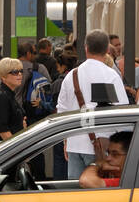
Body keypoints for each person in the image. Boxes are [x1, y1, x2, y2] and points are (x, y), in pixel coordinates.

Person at [56, 29, 131, 178]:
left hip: (74, 144)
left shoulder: (72, 75)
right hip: (102, 146)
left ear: (86, 48)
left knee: (75, 194)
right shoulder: (110, 75)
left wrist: (66, 141)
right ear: (107, 50)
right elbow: (121, 115)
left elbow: (61, 111)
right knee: (97, 195)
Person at [0, 57, 27, 145]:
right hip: (6, 148)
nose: (20, 74)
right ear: (3, 77)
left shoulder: (8, 94)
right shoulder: (2, 97)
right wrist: (18, 149)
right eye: (15, 72)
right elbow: (2, 130)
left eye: (21, 71)